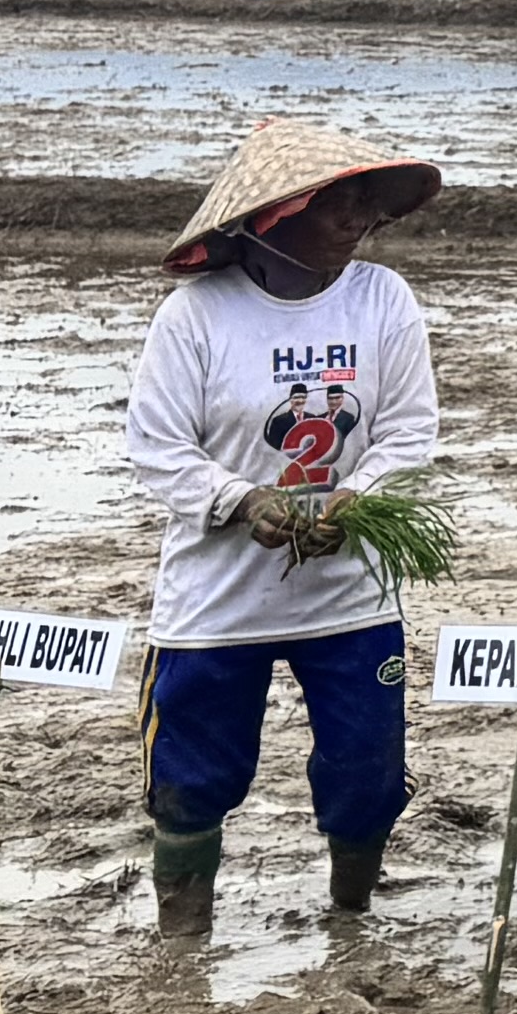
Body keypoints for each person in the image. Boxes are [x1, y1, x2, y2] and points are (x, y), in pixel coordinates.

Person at [125, 120, 445, 939]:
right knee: (191, 778)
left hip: (349, 597)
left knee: (366, 772)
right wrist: (240, 501)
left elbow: (408, 433)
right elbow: (157, 449)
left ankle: (351, 917)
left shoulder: (382, 300)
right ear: (270, 218)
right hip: (216, 602)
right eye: (332, 202)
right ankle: (184, 939)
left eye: (362, 202)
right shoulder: (195, 317)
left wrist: (360, 499)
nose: (356, 217)